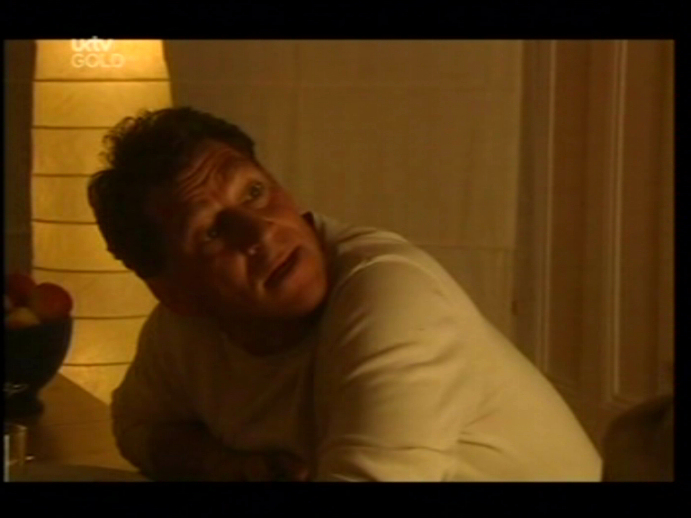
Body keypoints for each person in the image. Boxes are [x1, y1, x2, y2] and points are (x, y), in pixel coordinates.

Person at [88, 107, 602, 481]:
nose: (262, 232)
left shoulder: (391, 294)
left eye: (255, 192)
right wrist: (223, 466)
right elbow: (136, 425)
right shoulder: (183, 327)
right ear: (174, 293)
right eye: (212, 232)